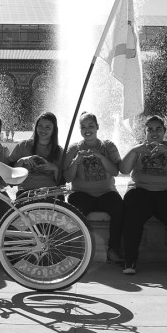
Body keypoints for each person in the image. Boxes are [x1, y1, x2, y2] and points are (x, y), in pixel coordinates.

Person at [120, 115, 167, 276]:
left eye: (158, 129)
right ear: (145, 132)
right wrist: (135, 150)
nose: (154, 132)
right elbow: (123, 170)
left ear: (164, 131)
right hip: (140, 190)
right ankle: (129, 261)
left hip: (166, 192)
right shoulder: (137, 148)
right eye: (150, 129)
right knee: (131, 215)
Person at [63, 112, 124, 264]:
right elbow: (68, 178)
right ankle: (78, 250)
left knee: (120, 209)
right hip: (81, 194)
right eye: (83, 127)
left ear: (97, 127)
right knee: (75, 212)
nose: (87, 129)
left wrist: (101, 157)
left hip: (106, 193)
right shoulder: (74, 148)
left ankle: (113, 249)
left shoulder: (107, 146)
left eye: (91, 125)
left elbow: (115, 171)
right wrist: (76, 162)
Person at [9, 112, 62, 194]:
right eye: (40, 126)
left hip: (50, 193)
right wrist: (22, 160)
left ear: (54, 130)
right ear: (36, 126)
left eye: (48, 127)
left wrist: (54, 168)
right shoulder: (23, 145)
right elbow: (11, 174)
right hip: (26, 192)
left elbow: (61, 182)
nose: (43, 130)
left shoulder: (59, 151)